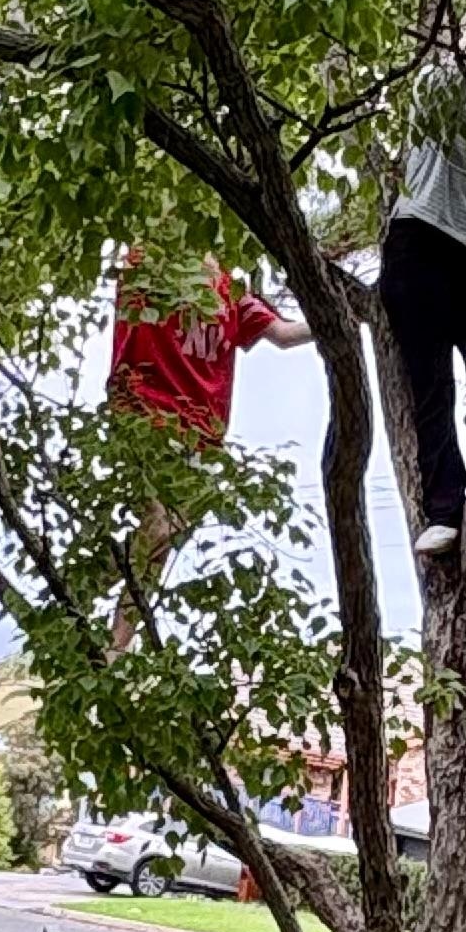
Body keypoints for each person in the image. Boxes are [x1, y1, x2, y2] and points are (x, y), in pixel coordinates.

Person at [104, 250, 311, 644]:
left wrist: (347, 314)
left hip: (201, 437)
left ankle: (114, 647)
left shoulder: (230, 291)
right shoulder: (150, 263)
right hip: (146, 415)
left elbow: (283, 336)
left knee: (160, 543)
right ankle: (82, 594)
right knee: (158, 527)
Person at [378, 73, 466, 561]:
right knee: (431, 384)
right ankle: (445, 509)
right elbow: (448, 74)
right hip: (420, 236)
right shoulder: (439, 80)